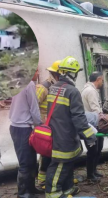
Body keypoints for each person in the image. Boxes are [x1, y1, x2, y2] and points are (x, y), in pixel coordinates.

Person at [45, 56, 97, 198]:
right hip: (65, 135)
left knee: (67, 164)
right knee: (60, 165)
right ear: (73, 73)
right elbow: (79, 117)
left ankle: (67, 190)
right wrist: (90, 135)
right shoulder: (72, 91)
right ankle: (53, 193)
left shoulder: (53, 88)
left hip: (55, 133)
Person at [9, 68, 41, 198]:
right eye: (36, 71)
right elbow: (34, 108)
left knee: (31, 160)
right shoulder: (30, 84)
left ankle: (31, 189)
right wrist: (40, 125)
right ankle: (23, 193)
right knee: (25, 162)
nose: (38, 74)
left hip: (17, 126)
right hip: (23, 128)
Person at [35, 60, 61, 189]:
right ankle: (42, 182)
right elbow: (33, 106)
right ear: (56, 74)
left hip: (53, 126)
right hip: (45, 127)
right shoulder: (43, 87)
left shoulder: (56, 87)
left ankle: (50, 179)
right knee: (45, 154)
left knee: (52, 154)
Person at [81, 71, 105, 183]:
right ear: (98, 79)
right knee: (93, 150)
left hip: (91, 123)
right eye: (102, 80)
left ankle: (93, 171)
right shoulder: (91, 91)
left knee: (97, 148)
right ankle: (90, 175)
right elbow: (95, 109)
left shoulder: (89, 90)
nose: (103, 82)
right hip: (93, 124)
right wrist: (104, 119)